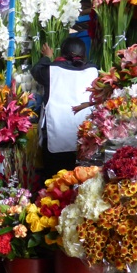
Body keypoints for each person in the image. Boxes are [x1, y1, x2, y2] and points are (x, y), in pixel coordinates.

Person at [30, 38, 98, 181]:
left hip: (56, 132)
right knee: (81, 178)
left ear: (63, 53)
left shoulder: (52, 70)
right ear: (84, 54)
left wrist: (47, 57)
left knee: (55, 179)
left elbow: (36, 71)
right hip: (83, 135)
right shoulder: (93, 71)